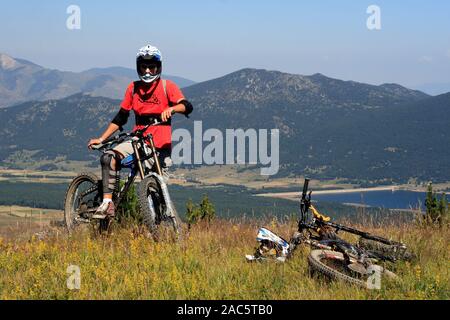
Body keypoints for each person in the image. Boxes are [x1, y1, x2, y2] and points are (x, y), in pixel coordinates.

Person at [87, 44, 193, 218]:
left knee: (158, 191)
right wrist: (102, 138)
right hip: (138, 142)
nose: (148, 71)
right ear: (138, 67)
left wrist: (173, 109)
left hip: (160, 147)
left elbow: (187, 106)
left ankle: (161, 225)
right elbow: (121, 117)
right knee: (108, 157)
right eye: (144, 66)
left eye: (151, 67)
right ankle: (107, 203)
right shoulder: (133, 88)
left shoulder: (168, 86)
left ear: (158, 67)